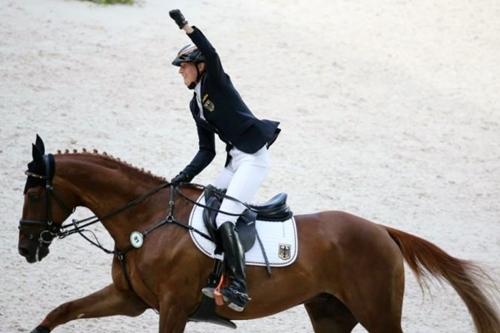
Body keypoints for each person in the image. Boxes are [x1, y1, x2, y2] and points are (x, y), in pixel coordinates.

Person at [168, 9, 281, 312]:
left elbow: (211, 51)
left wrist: (185, 26)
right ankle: (214, 271)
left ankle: (240, 287)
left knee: (223, 217)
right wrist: (181, 177)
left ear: (199, 66)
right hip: (233, 162)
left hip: (253, 159)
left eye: (184, 67)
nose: (181, 72)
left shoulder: (215, 80)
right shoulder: (197, 105)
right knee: (206, 203)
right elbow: (207, 151)